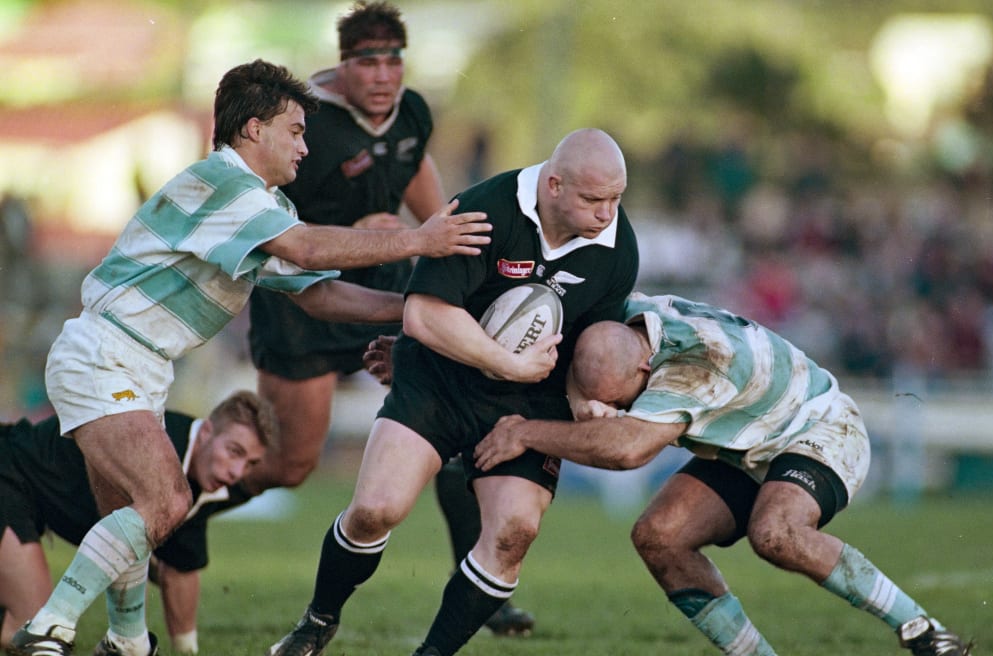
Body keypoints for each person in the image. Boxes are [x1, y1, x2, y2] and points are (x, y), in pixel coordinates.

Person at [8, 59, 490, 656]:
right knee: (168, 502)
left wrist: (417, 309)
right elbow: (310, 250)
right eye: (295, 130)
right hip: (106, 353)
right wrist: (421, 239)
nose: (306, 148)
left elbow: (318, 295)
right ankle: (49, 627)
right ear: (253, 129)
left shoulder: (266, 209)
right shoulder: (223, 184)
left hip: (138, 364)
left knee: (137, 517)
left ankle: (127, 642)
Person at [267, 127, 639, 656]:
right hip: (439, 378)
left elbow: (587, 344)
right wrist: (506, 362)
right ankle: (319, 618)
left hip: (527, 401)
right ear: (554, 185)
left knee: (513, 532)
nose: (607, 214)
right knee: (376, 509)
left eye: (616, 199)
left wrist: (584, 403)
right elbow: (422, 313)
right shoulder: (487, 209)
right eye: (593, 199)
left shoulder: (617, 247)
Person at [474, 292, 974, 656]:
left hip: (819, 428)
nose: (609, 412)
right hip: (749, 443)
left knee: (776, 533)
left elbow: (628, 451)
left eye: (619, 403)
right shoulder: (620, 323)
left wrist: (525, 433)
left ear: (646, 374)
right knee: (659, 536)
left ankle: (925, 633)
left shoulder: (698, 367)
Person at [244, 2, 531, 635]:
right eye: (366, 60)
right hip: (303, 305)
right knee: (292, 464)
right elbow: (275, 234)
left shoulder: (414, 114)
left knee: (453, 435)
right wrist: (374, 233)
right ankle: (185, 508)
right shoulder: (305, 122)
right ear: (342, 65)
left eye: (392, 58)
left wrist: (457, 242)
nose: (381, 73)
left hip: (389, 298)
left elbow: (424, 188)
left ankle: (484, 591)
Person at [0, 391, 276, 656]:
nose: (237, 472)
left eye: (250, 464)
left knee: (36, 628)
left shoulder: (201, 478)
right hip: (9, 474)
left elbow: (181, 569)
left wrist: (187, 650)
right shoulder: (159, 443)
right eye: (234, 451)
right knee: (30, 629)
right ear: (205, 432)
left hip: (32, 502)